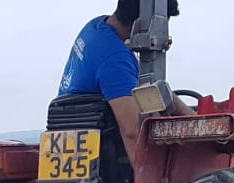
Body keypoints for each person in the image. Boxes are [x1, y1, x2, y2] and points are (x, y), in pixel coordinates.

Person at [58, 1, 191, 158]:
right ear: (142, 24)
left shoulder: (97, 27)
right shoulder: (115, 59)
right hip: (100, 151)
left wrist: (191, 117)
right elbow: (132, 131)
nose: (164, 38)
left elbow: (147, 85)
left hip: (69, 135)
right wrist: (149, 173)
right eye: (161, 30)